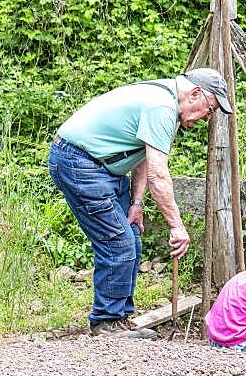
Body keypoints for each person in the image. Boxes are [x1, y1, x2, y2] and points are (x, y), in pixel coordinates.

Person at [48, 68, 233, 339]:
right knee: (117, 242)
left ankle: (119, 319)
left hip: (101, 166)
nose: (208, 116)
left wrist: (136, 203)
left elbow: (145, 157)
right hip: (80, 162)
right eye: (210, 108)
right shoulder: (161, 107)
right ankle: (106, 324)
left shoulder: (166, 102)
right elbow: (159, 174)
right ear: (196, 93)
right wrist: (177, 226)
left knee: (131, 237)